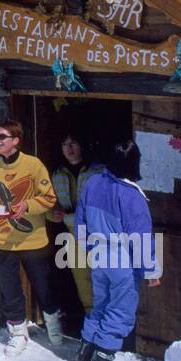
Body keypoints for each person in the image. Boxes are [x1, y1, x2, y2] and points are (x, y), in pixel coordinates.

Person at [0, 120, 62, 355]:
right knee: (10, 288)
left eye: (3, 137)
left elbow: (48, 198)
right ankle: (18, 332)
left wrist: (26, 205)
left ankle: (53, 322)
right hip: (2, 239)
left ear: (16, 141)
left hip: (32, 239)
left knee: (43, 285)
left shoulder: (33, 165)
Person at [72, 139, 161, 361]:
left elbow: (81, 223)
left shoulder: (93, 183)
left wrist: (88, 247)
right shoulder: (132, 196)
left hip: (99, 258)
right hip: (123, 263)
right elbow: (141, 238)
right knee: (119, 312)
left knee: (99, 307)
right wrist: (150, 268)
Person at [50, 132, 101, 311]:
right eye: (65, 144)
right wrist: (52, 214)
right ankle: (92, 325)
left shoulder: (98, 172)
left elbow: (97, 209)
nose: (69, 148)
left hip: (98, 235)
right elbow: (50, 203)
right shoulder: (57, 173)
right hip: (73, 235)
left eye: (73, 143)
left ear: (82, 145)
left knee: (102, 280)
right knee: (83, 283)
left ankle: (109, 328)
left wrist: (67, 217)